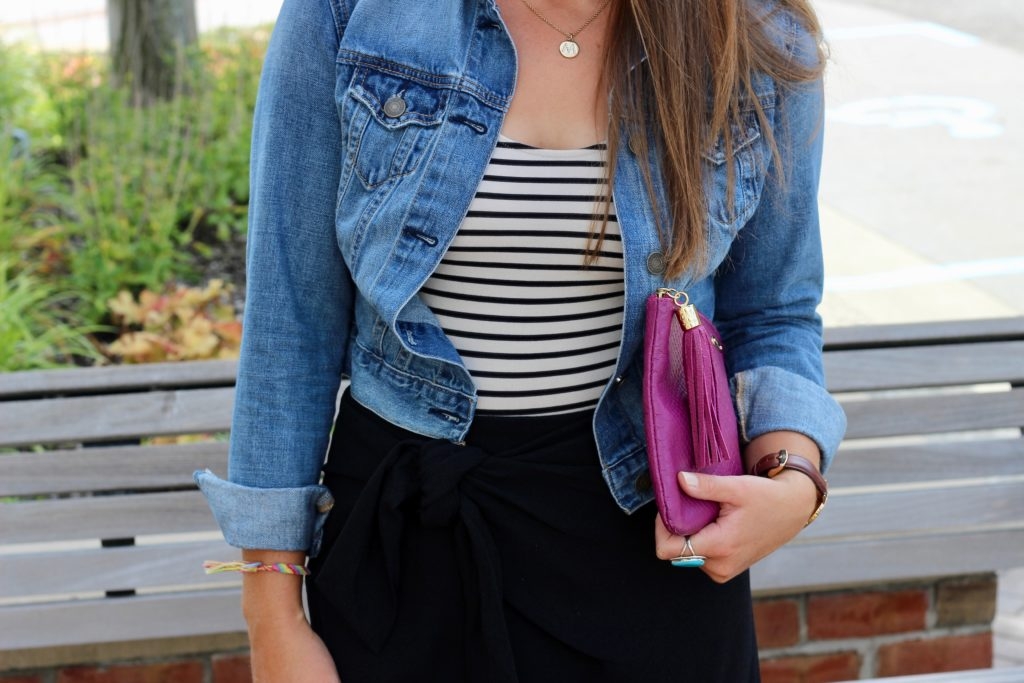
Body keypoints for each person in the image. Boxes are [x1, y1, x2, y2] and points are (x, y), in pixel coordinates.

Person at [195, 0, 847, 680]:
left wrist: (793, 479)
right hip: (405, 552)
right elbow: (290, 323)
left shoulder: (751, 30)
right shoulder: (351, 12)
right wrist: (272, 618)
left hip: (650, 552)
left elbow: (774, 312)